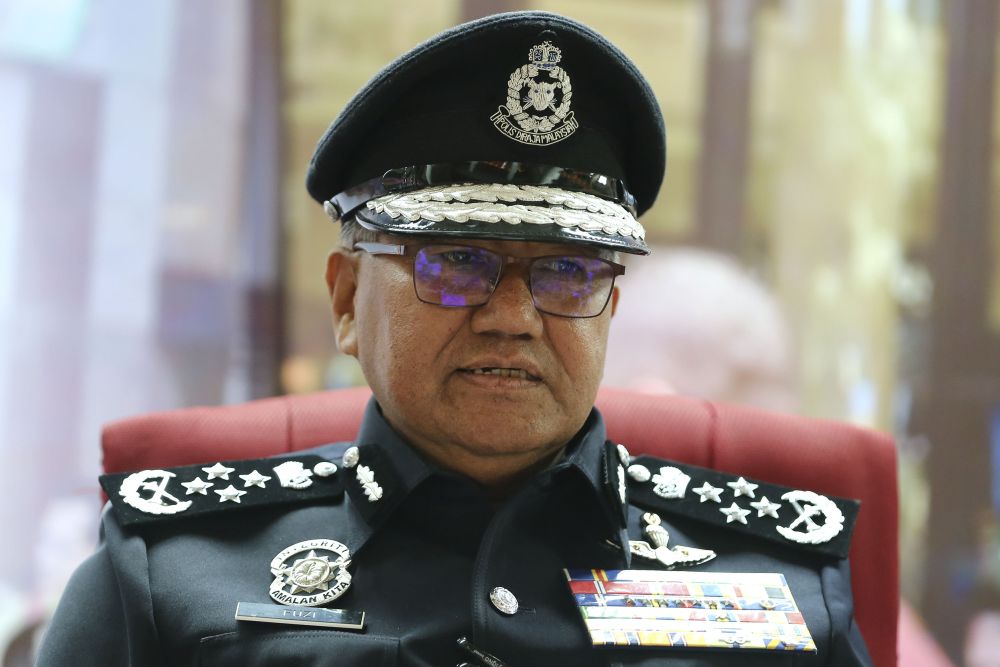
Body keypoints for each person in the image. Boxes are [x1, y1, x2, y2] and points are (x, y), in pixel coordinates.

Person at [37, 11, 872, 666]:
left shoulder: (780, 582)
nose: (513, 315)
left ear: (610, 309)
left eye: (567, 273)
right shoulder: (169, 574)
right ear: (346, 298)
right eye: (457, 262)